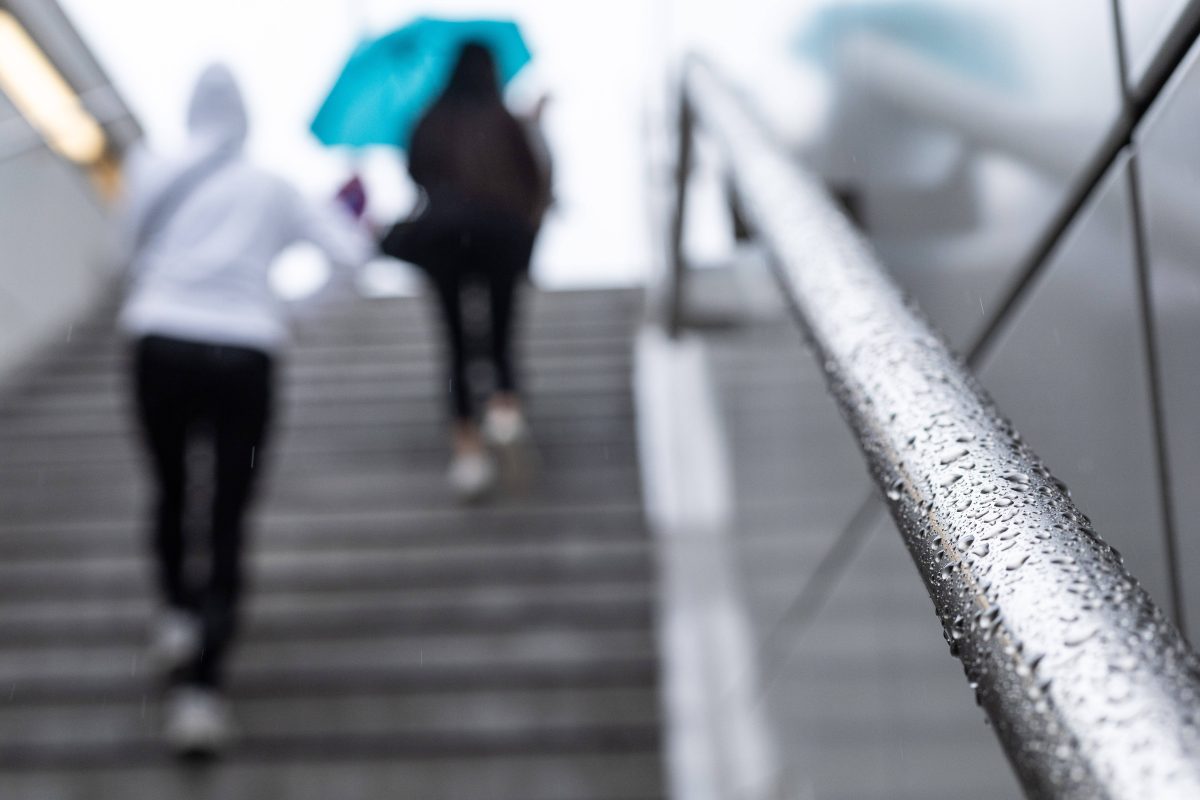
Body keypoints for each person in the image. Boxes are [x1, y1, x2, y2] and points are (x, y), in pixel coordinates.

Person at [116, 63, 371, 756]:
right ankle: (202, 691)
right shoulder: (274, 187)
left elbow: (125, 253)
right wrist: (286, 310)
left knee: (170, 489)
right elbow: (352, 256)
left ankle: (176, 611)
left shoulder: (152, 170)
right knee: (227, 513)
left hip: (158, 343)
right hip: (246, 354)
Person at [380, 42, 551, 500]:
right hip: (502, 235)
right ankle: (503, 410)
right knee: (501, 331)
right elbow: (535, 182)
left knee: (455, 341)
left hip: (444, 238)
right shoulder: (506, 119)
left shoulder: (430, 119)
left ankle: (468, 449)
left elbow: (415, 172)